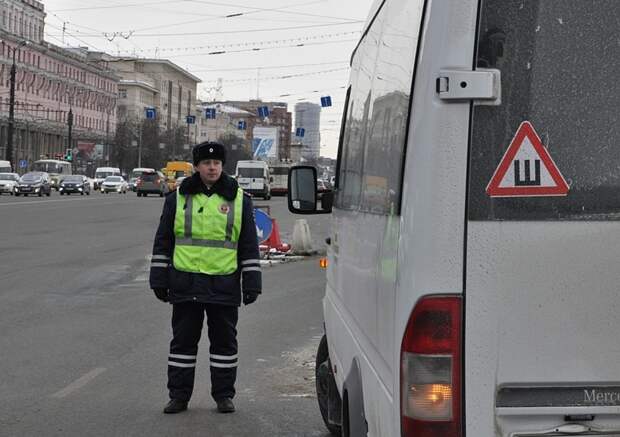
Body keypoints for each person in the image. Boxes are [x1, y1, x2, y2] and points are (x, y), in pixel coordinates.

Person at [149, 141, 262, 414]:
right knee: (182, 345)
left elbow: (248, 244)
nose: (212, 168)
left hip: (223, 285)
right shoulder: (177, 198)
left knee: (224, 345)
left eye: (217, 164)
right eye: (206, 164)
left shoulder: (239, 199)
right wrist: (159, 279)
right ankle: (178, 397)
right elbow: (164, 241)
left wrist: (252, 282)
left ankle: (224, 396)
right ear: (197, 167)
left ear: (222, 167)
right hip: (185, 284)